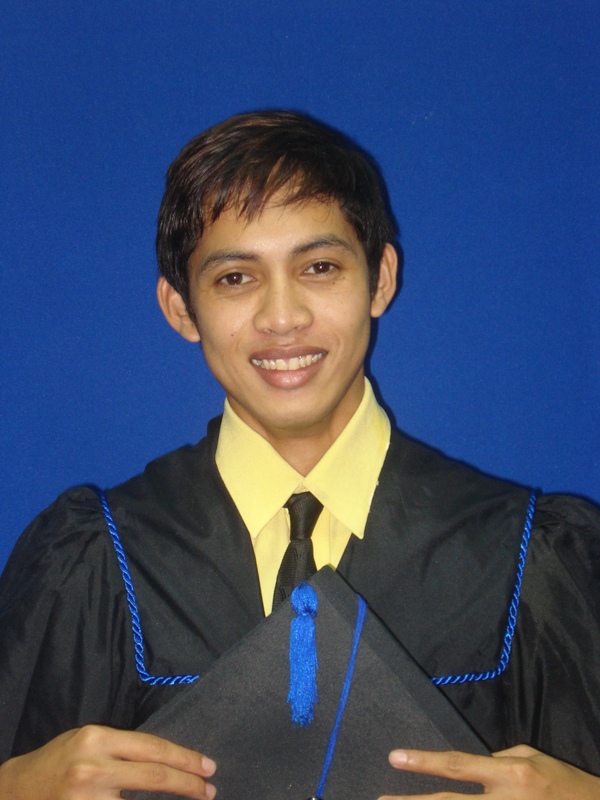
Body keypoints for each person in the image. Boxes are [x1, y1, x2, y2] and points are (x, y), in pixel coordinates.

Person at [0, 110, 599, 799]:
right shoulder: (96, 564)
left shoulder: (527, 562)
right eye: (235, 278)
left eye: (319, 267)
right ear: (180, 308)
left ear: (380, 279)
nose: (282, 318)